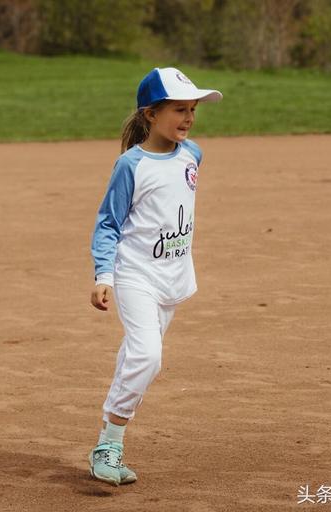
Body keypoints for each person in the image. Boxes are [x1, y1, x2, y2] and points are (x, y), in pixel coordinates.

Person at [88, 67, 222, 485]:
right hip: (135, 275)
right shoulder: (131, 165)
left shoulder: (193, 154)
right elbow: (109, 223)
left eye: (193, 109)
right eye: (179, 109)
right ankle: (108, 444)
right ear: (150, 115)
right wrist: (103, 275)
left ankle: (109, 441)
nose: (188, 118)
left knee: (137, 356)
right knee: (148, 356)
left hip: (172, 276)